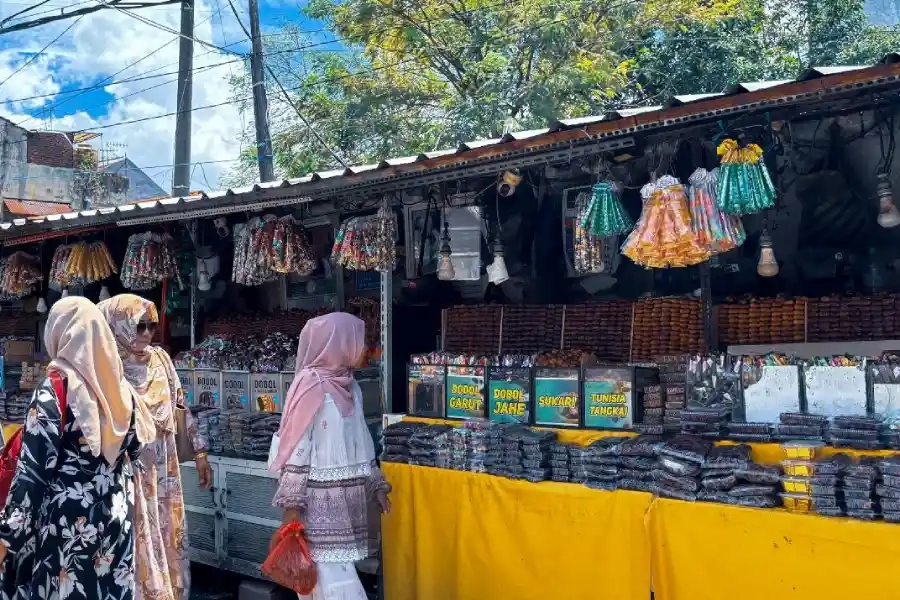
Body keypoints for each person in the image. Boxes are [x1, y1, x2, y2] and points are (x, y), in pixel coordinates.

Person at [0, 297, 155, 600]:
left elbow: (32, 473)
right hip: (115, 518)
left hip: (68, 527)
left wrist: (8, 536)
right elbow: (137, 450)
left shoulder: (54, 389)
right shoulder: (120, 388)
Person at [97, 295, 212, 600]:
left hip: (164, 465)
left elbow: (179, 405)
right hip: (129, 469)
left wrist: (200, 453)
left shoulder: (160, 360)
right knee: (137, 534)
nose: (147, 333)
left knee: (166, 531)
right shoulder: (106, 367)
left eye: (151, 325)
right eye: (139, 326)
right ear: (118, 326)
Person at [269, 312, 391, 600]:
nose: (367, 351)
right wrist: (292, 505)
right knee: (336, 581)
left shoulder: (352, 387)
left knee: (322, 583)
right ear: (341, 342)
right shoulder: (310, 386)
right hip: (316, 506)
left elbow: (362, 440)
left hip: (347, 503)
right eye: (361, 342)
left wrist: (376, 485)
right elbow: (298, 447)